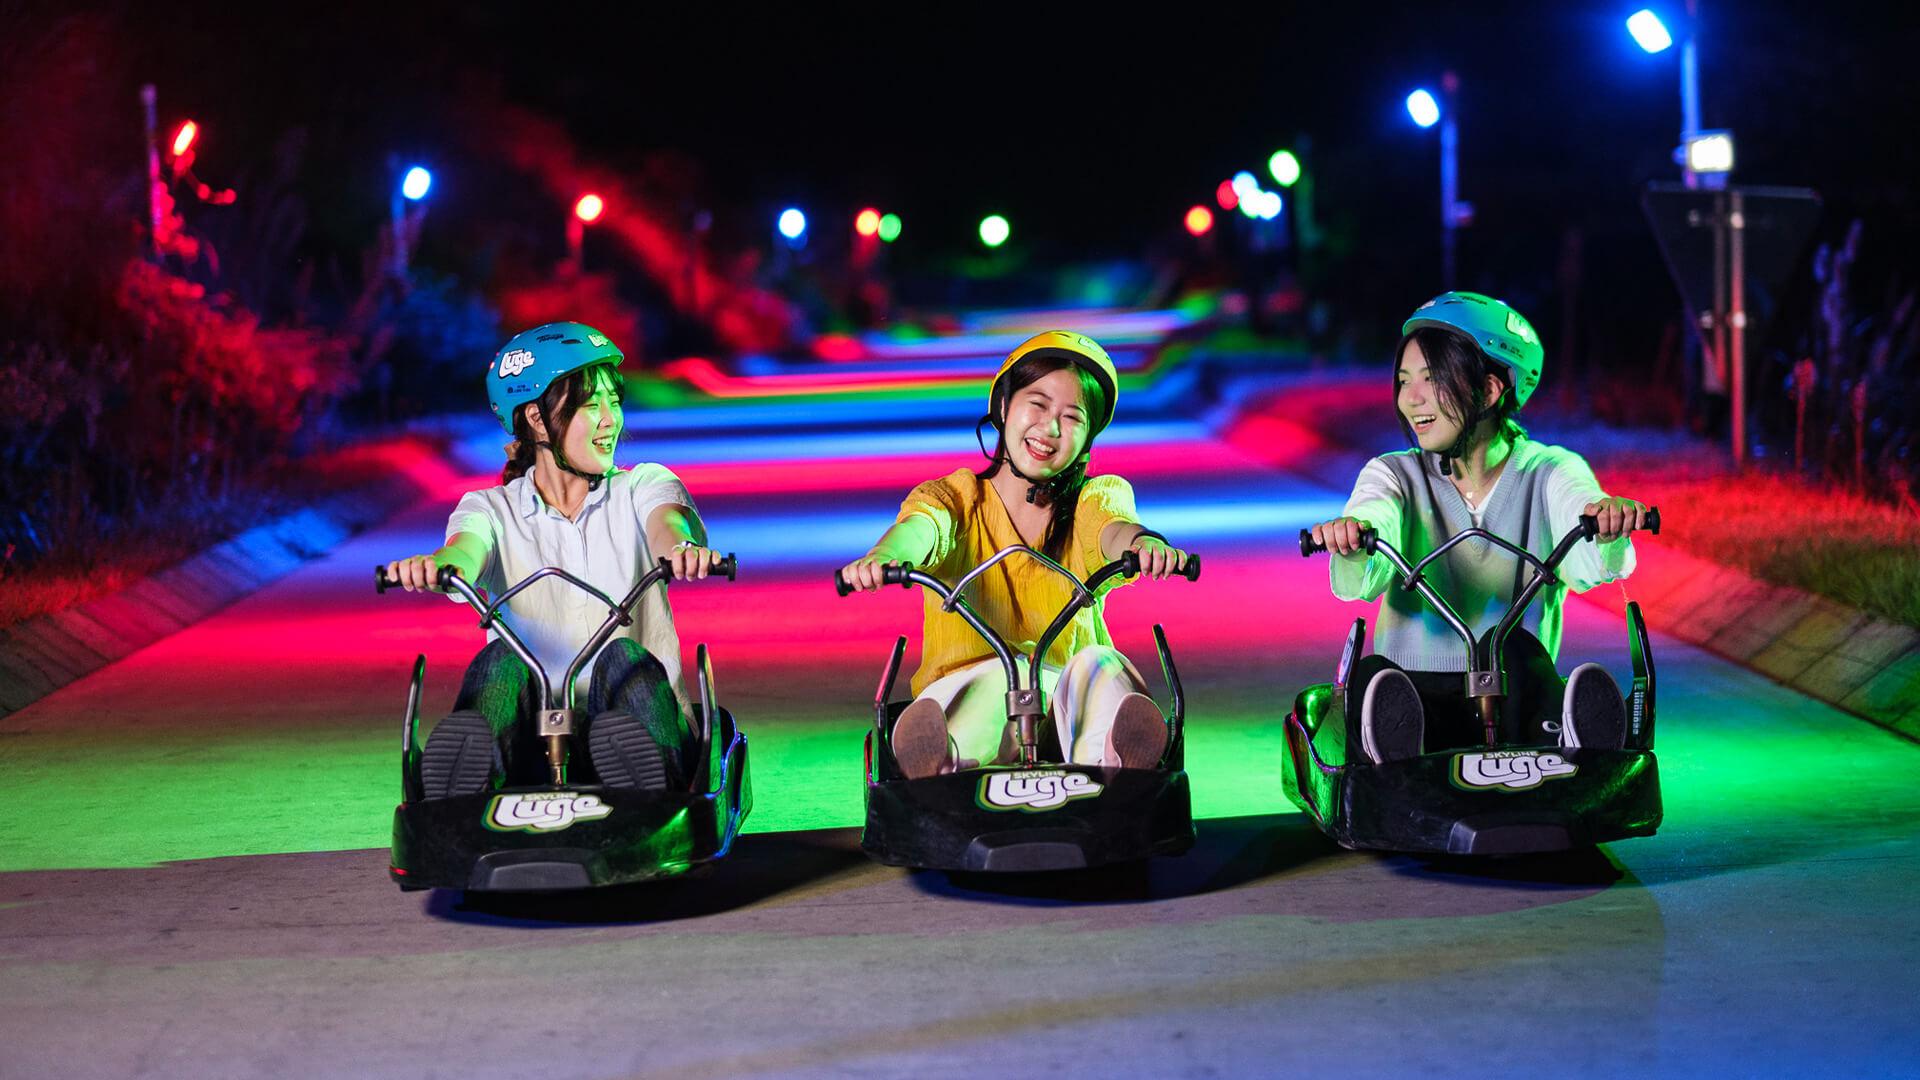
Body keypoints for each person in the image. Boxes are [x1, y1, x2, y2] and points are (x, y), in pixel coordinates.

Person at [1306, 292, 1648, 763]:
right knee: (1376, 680)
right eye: (1404, 380)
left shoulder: (1549, 470)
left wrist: (1605, 521)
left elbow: (1581, 519)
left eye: (1430, 379)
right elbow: (1375, 515)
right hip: (1413, 696)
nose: (1411, 398)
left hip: (1515, 695)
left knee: (1519, 655)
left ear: (1489, 391)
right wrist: (1354, 534)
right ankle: (1393, 750)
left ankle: (1569, 736)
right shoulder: (1394, 474)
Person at [385, 322, 723, 796]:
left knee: (622, 657)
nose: (611, 421)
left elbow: (667, 526)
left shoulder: (643, 485)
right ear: (538, 420)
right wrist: (441, 567)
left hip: (635, 728)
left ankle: (652, 790)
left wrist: (682, 552)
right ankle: (463, 792)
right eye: (590, 405)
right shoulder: (491, 509)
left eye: (614, 401)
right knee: (500, 661)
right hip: (532, 742)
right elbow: (464, 548)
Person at [839, 330, 1192, 779]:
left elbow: (1113, 528)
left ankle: (1116, 766)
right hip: (976, 693)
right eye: (1038, 405)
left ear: (1087, 440)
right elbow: (922, 528)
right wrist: (884, 556)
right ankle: (941, 760)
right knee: (992, 679)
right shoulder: (956, 498)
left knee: (1098, 664)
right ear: (1004, 407)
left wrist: (1144, 545)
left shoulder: (1090, 500)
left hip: (1066, 703)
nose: (1049, 429)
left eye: (1072, 418)